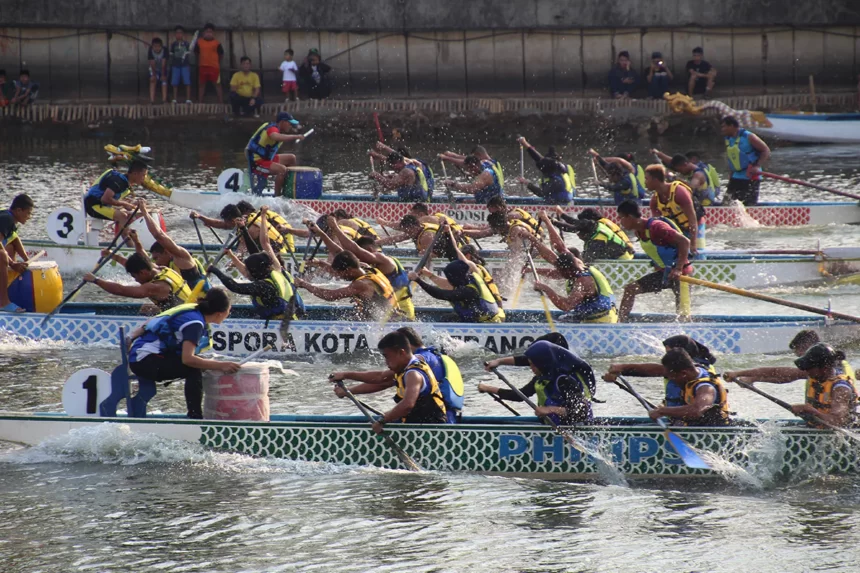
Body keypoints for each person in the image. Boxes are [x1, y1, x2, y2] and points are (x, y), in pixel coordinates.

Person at [123, 287, 241, 419]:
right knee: (194, 369)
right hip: (145, 361)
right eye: (229, 310)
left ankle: (195, 415)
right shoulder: (195, 324)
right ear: (220, 313)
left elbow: (152, 321)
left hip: (140, 356)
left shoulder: (192, 310)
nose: (228, 314)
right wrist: (222, 365)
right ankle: (195, 417)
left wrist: (131, 337)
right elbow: (187, 359)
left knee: (201, 363)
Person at [331, 327, 463, 424]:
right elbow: (382, 379)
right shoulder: (427, 357)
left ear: (403, 348)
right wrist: (347, 387)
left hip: (435, 423)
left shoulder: (418, 363)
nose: (386, 361)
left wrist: (383, 421)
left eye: (387, 356)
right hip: (438, 416)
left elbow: (383, 380)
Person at [726, 344, 857, 428]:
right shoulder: (815, 374)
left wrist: (811, 411)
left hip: (840, 438)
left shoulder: (840, 389)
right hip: (815, 429)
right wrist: (739, 373)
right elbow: (776, 373)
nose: (806, 371)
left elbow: (837, 421)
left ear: (825, 368)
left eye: (810, 368)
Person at [525, 215, 618, 323]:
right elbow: (559, 247)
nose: (558, 273)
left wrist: (546, 288)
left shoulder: (583, 282)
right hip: (591, 316)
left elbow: (566, 305)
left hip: (602, 321)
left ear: (568, 271)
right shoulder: (577, 264)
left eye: (561, 271)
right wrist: (535, 234)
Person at [480, 339, 596, 425]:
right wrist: (488, 388)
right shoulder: (540, 379)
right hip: (554, 426)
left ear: (543, 364)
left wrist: (550, 409)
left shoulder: (564, 381)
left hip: (578, 428)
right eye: (530, 364)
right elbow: (519, 395)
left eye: (533, 365)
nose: (531, 368)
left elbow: (581, 411)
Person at [320, 216, 415, 320]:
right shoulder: (374, 266)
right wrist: (320, 234)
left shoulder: (383, 259)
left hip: (402, 310)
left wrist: (335, 228)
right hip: (393, 309)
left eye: (362, 254)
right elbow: (342, 254)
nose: (360, 259)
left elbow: (356, 251)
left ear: (369, 249)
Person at [616, 200, 692, 322]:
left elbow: (684, 242)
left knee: (683, 315)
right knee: (630, 289)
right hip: (664, 273)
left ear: (629, 217)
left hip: (681, 275)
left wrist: (678, 269)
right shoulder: (638, 232)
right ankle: (620, 322)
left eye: (621, 218)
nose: (620, 222)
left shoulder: (657, 227)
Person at [605, 335, 717, 413]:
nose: (666, 356)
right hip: (679, 420)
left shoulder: (702, 382)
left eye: (669, 353)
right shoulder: (688, 369)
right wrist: (620, 372)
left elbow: (697, 410)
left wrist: (622, 368)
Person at [295, 250, 399, 321]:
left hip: (386, 325)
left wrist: (303, 284)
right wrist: (320, 263)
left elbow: (329, 295)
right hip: (395, 317)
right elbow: (337, 271)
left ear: (349, 270)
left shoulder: (361, 284)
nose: (339, 277)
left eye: (341, 274)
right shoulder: (369, 269)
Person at [418, 227, 504, 310]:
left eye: (461, 256)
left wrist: (449, 232)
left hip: (491, 309)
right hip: (483, 308)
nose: (457, 260)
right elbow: (448, 285)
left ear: (467, 256)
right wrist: (429, 274)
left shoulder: (475, 269)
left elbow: (455, 249)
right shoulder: (467, 275)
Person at [640, 349, 730, 426]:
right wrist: (663, 406)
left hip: (712, 432)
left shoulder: (706, 387)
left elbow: (697, 410)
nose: (672, 380)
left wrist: (662, 411)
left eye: (673, 377)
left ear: (683, 373)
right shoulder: (692, 376)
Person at [137, 200, 210, 294]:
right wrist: (136, 240)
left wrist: (144, 212)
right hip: (190, 300)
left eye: (156, 258)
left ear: (166, 252)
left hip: (206, 300)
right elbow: (145, 262)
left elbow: (159, 235)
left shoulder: (181, 258)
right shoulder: (164, 267)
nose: (156, 262)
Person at [84, 252, 192, 314]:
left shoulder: (155, 287)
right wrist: (113, 256)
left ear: (143, 272)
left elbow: (121, 290)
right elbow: (135, 265)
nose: (136, 280)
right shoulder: (162, 269)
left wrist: (95, 280)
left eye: (134, 276)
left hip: (183, 318)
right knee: (146, 309)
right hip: (190, 310)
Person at [410, 260, 505, 323]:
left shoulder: (468, 291)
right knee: (447, 318)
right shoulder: (468, 279)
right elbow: (446, 285)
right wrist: (428, 274)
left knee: (447, 320)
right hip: (485, 319)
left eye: (449, 278)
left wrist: (418, 280)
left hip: (487, 324)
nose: (449, 280)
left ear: (455, 277)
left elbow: (440, 294)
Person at [646, 164, 705, 252]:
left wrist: (693, 244)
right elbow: (657, 225)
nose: (645, 182)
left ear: (655, 180)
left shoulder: (679, 192)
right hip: (679, 229)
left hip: (696, 225)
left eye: (646, 179)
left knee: (697, 254)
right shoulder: (654, 201)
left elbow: (692, 219)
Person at [244, 112, 306, 196]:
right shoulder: (272, 128)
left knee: (291, 158)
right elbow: (275, 136)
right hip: (256, 162)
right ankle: (277, 196)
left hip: (265, 159)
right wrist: (296, 136)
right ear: (282, 122)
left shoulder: (276, 129)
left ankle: (289, 191)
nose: (291, 126)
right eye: (289, 123)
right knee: (282, 170)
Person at [721, 115, 770, 206]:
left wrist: (757, 166)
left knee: (748, 205)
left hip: (751, 176)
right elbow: (734, 157)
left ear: (731, 126)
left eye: (724, 126)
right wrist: (731, 173)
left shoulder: (749, 136)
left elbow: (765, 150)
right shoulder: (728, 139)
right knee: (727, 204)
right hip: (736, 176)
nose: (722, 129)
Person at [553, 209, 634, 262]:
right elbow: (574, 224)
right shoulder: (597, 226)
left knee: (576, 253)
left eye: (578, 233)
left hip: (623, 261)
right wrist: (557, 218)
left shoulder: (598, 238)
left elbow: (587, 263)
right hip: (625, 253)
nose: (577, 235)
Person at [84, 160, 148, 226]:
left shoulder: (124, 182)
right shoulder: (119, 182)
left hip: (100, 205)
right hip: (93, 206)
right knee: (122, 216)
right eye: (143, 175)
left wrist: (130, 203)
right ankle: (125, 233)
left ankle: (126, 232)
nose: (145, 178)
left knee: (130, 214)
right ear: (135, 174)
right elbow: (105, 199)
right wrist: (124, 204)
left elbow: (113, 199)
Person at [0, 194, 34, 313]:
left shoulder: (8, 217)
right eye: (28, 213)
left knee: (8, 249)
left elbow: (15, 240)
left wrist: (26, 259)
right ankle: (3, 302)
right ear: (19, 210)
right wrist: (12, 263)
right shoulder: (7, 219)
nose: (29, 217)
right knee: (2, 255)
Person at [515, 137, 575, 204]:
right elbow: (539, 159)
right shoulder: (561, 169)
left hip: (560, 205)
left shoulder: (557, 180)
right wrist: (525, 144)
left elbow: (541, 193)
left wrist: (527, 183)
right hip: (567, 202)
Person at [651, 149, 719, 205]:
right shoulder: (688, 165)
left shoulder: (698, 174)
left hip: (705, 206)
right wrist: (658, 154)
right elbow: (672, 161)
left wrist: (676, 178)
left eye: (680, 170)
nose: (680, 172)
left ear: (685, 164)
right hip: (695, 203)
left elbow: (691, 188)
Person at [370, 143, 436, 198]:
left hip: (413, 205)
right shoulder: (416, 164)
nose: (394, 169)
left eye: (393, 167)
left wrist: (377, 175)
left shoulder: (407, 171)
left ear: (398, 162)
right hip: (424, 200)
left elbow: (390, 185)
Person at [194, 23, 224, 104]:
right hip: (202, 67)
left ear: (213, 33)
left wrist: (215, 62)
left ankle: (221, 102)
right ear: (204, 33)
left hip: (214, 68)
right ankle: (200, 102)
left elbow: (221, 55)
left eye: (210, 32)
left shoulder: (217, 43)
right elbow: (196, 53)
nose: (208, 33)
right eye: (207, 32)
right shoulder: (199, 42)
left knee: (217, 84)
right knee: (201, 85)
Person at [169, 26, 192, 103]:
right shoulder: (173, 44)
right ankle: (175, 99)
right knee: (174, 83)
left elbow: (188, 54)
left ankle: (188, 99)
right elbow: (171, 55)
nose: (179, 34)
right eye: (177, 33)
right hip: (175, 66)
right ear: (175, 34)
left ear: (183, 34)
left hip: (185, 65)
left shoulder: (186, 44)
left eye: (180, 33)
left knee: (187, 82)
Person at [147, 38, 168, 104]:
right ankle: (152, 100)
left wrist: (163, 75)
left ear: (161, 46)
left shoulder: (165, 50)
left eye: (158, 46)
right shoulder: (150, 50)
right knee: (152, 80)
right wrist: (154, 75)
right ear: (152, 46)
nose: (157, 48)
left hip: (163, 67)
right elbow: (152, 63)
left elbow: (164, 64)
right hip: (153, 67)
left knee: (164, 81)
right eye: (155, 46)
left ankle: (164, 100)